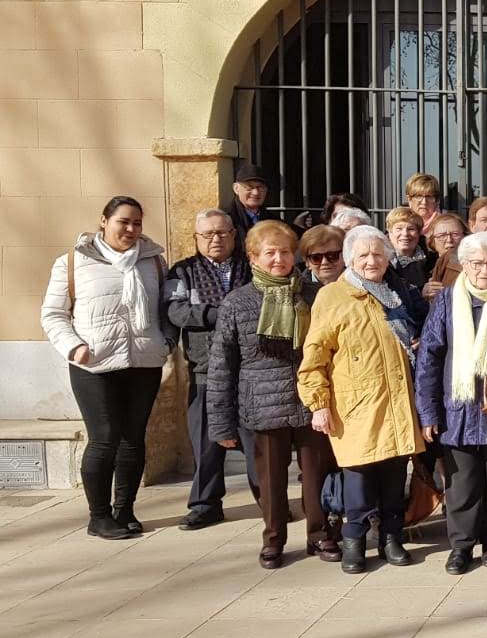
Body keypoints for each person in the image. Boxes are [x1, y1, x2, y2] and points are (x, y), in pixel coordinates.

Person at [41, 196, 175, 540]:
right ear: (104, 221)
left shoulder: (153, 262)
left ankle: (125, 510)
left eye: (137, 224)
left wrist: (166, 343)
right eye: (123, 222)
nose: (130, 230)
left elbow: (168, 309)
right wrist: (75, 347)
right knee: (104, 439)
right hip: (94, 364)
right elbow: (53, 314)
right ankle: (98, 516)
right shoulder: (73, 261)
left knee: (133, 439)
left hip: (143, 361)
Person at [207, 221, 339, 568]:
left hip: (311, 401)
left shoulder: (313, 295)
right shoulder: (237, 302)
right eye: (270, 252)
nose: (279, 258)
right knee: (270, 481)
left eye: (284, 251)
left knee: (316, 475)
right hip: (262, 404)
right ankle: (274, 538)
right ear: (253, 257)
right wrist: (221, 423)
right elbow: (222, 364)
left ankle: (320, 533)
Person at [297, 225, 427, 574]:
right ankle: (354, 540)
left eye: (378, 254)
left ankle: (391, 537)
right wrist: (318, 402)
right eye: (364, 255)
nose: (372, 261)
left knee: (393, 475)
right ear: (350, 259)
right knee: (358, 480)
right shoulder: (333, 296)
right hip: (357, 406)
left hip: (397, 401)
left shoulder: (394, 293)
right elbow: (315, 355)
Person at [415, 232, 487, 575]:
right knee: (461, 483)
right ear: (465, 266)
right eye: (476, 263)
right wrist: (428, 411)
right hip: (456, 407)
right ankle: (460, 546)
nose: (484, 270)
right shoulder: (447, 300)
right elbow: (429, 357)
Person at [164, 207, 253, 531]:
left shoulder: (251, 266)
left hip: (249, 371)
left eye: (221, 233)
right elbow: (176, 311)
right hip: (205, 371)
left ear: (233, 235)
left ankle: (269, 501)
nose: (215, 239)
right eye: (208, 234)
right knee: (206, 444)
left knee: (256, 445)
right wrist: (220, 313)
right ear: (196, 238)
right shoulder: (182, 271)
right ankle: (205, 504)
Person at [424, 212, 468, 301]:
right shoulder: (424, 267)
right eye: (442, 236)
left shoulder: (472, 266)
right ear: (433, 241)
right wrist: (425, 295)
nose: (449, 240)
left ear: (465, 236)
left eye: (455, 234)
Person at [226, 164, 278, 234]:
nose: (256, 193)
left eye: (260, 187)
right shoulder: (227, 220)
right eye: (249, 187)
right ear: (236, 188)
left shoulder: (274, 221)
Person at [386, 207, 430, 290]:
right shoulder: (380, 259)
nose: (405, 234)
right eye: (399, 229)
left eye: (411, 229)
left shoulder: (431, 259)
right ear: (390, 231)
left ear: (418, 233)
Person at [299, 224, 346, 291]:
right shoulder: (297, 291)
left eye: (332, 256)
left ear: (345, 255)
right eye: (316, 258)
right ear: (307, 262)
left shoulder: (360, 286)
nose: (324, 262)